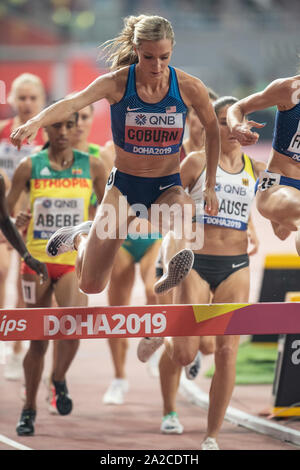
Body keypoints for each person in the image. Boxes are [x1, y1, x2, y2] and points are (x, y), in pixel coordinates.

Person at [10, 14, 219, 300]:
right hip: (124, 189)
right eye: (148, 57)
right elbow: (72, 102)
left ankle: (170, 265)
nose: (157, 66)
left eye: (164, 57)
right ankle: (81, 236)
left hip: (166, 186)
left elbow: (212, 128)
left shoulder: (187, 86)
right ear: (136, 51)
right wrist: (34, 123)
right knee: (91, 285)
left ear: (172, 50)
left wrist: (210, 184)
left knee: (184, 211)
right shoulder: (117, 83)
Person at [139, 97, 264, 450]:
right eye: (223, 122)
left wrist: (263, 225)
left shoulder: (255, 168)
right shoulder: (195, 163)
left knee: (224, 351)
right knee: (184, 354)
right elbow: (161, 201)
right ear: (212, 127)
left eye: (238, 121)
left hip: (235, 266)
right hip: (193, 262)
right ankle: (163, 342)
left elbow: (276, 203)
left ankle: (211, 436)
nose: (233, 128)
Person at [7, 111, 107, 436]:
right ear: (46, 126)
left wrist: (97, 235)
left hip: (70, 259)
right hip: (35, 262)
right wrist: (17, 221)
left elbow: (109, 213)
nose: (64, 131)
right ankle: (28, 409)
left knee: (74, 326)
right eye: (57, 125)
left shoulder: (92, 166)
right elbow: (5, 215)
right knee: (37, 342)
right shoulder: (29, 166)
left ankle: (59, 378)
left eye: (69, 124)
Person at [0, 73, 46, 380]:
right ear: (13, 100)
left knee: (23, 284)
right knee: (1, 272)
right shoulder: (2, 132)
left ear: (41, 100)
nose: (27, 104)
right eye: (22, 98)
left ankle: (18, 348)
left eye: (32, 98)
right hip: (4, 214)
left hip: (33, 218)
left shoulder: (46, 136)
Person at [226, 75, 300, 254]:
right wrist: (237, 127)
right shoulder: (289, 89)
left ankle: (283, 220)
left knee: (284, 232)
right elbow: (238, 107)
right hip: (276, 183)